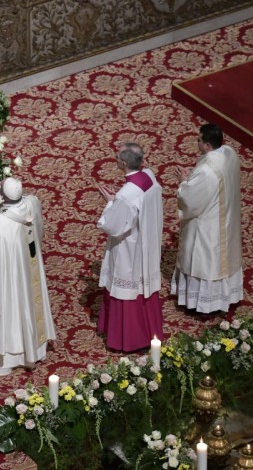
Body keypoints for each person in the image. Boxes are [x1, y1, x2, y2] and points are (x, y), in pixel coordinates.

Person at [0, 177, 56, 376]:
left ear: (3, 196)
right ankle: (33, 352)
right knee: (27, 304)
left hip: (6, 276)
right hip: (28, 267)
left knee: (8, 309)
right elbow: (17, 203)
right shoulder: (32, 204)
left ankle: (7, 360)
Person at [95, 143, 164, 351]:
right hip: (147, 241)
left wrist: (110, 203)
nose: (115, 159)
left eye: (117, 157)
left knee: (127, 288)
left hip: (130, 249)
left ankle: (129, 339)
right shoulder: (149, 176)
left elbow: (113, 226)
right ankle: (149, 331)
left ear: (124, 163)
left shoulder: (126, 195)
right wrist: (116, 201)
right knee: (143, 288)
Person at [170, 123, 243, 313]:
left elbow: (191, 199)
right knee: (223, 259)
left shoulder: (207, 171)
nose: (197, 143)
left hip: (209, 224)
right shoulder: (229, 153)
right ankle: (223, 297)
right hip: (227, 216)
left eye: (199, 140)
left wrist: (184, 182)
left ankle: (201, 304)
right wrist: (194, 177)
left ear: (208, 145)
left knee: (205, 261)